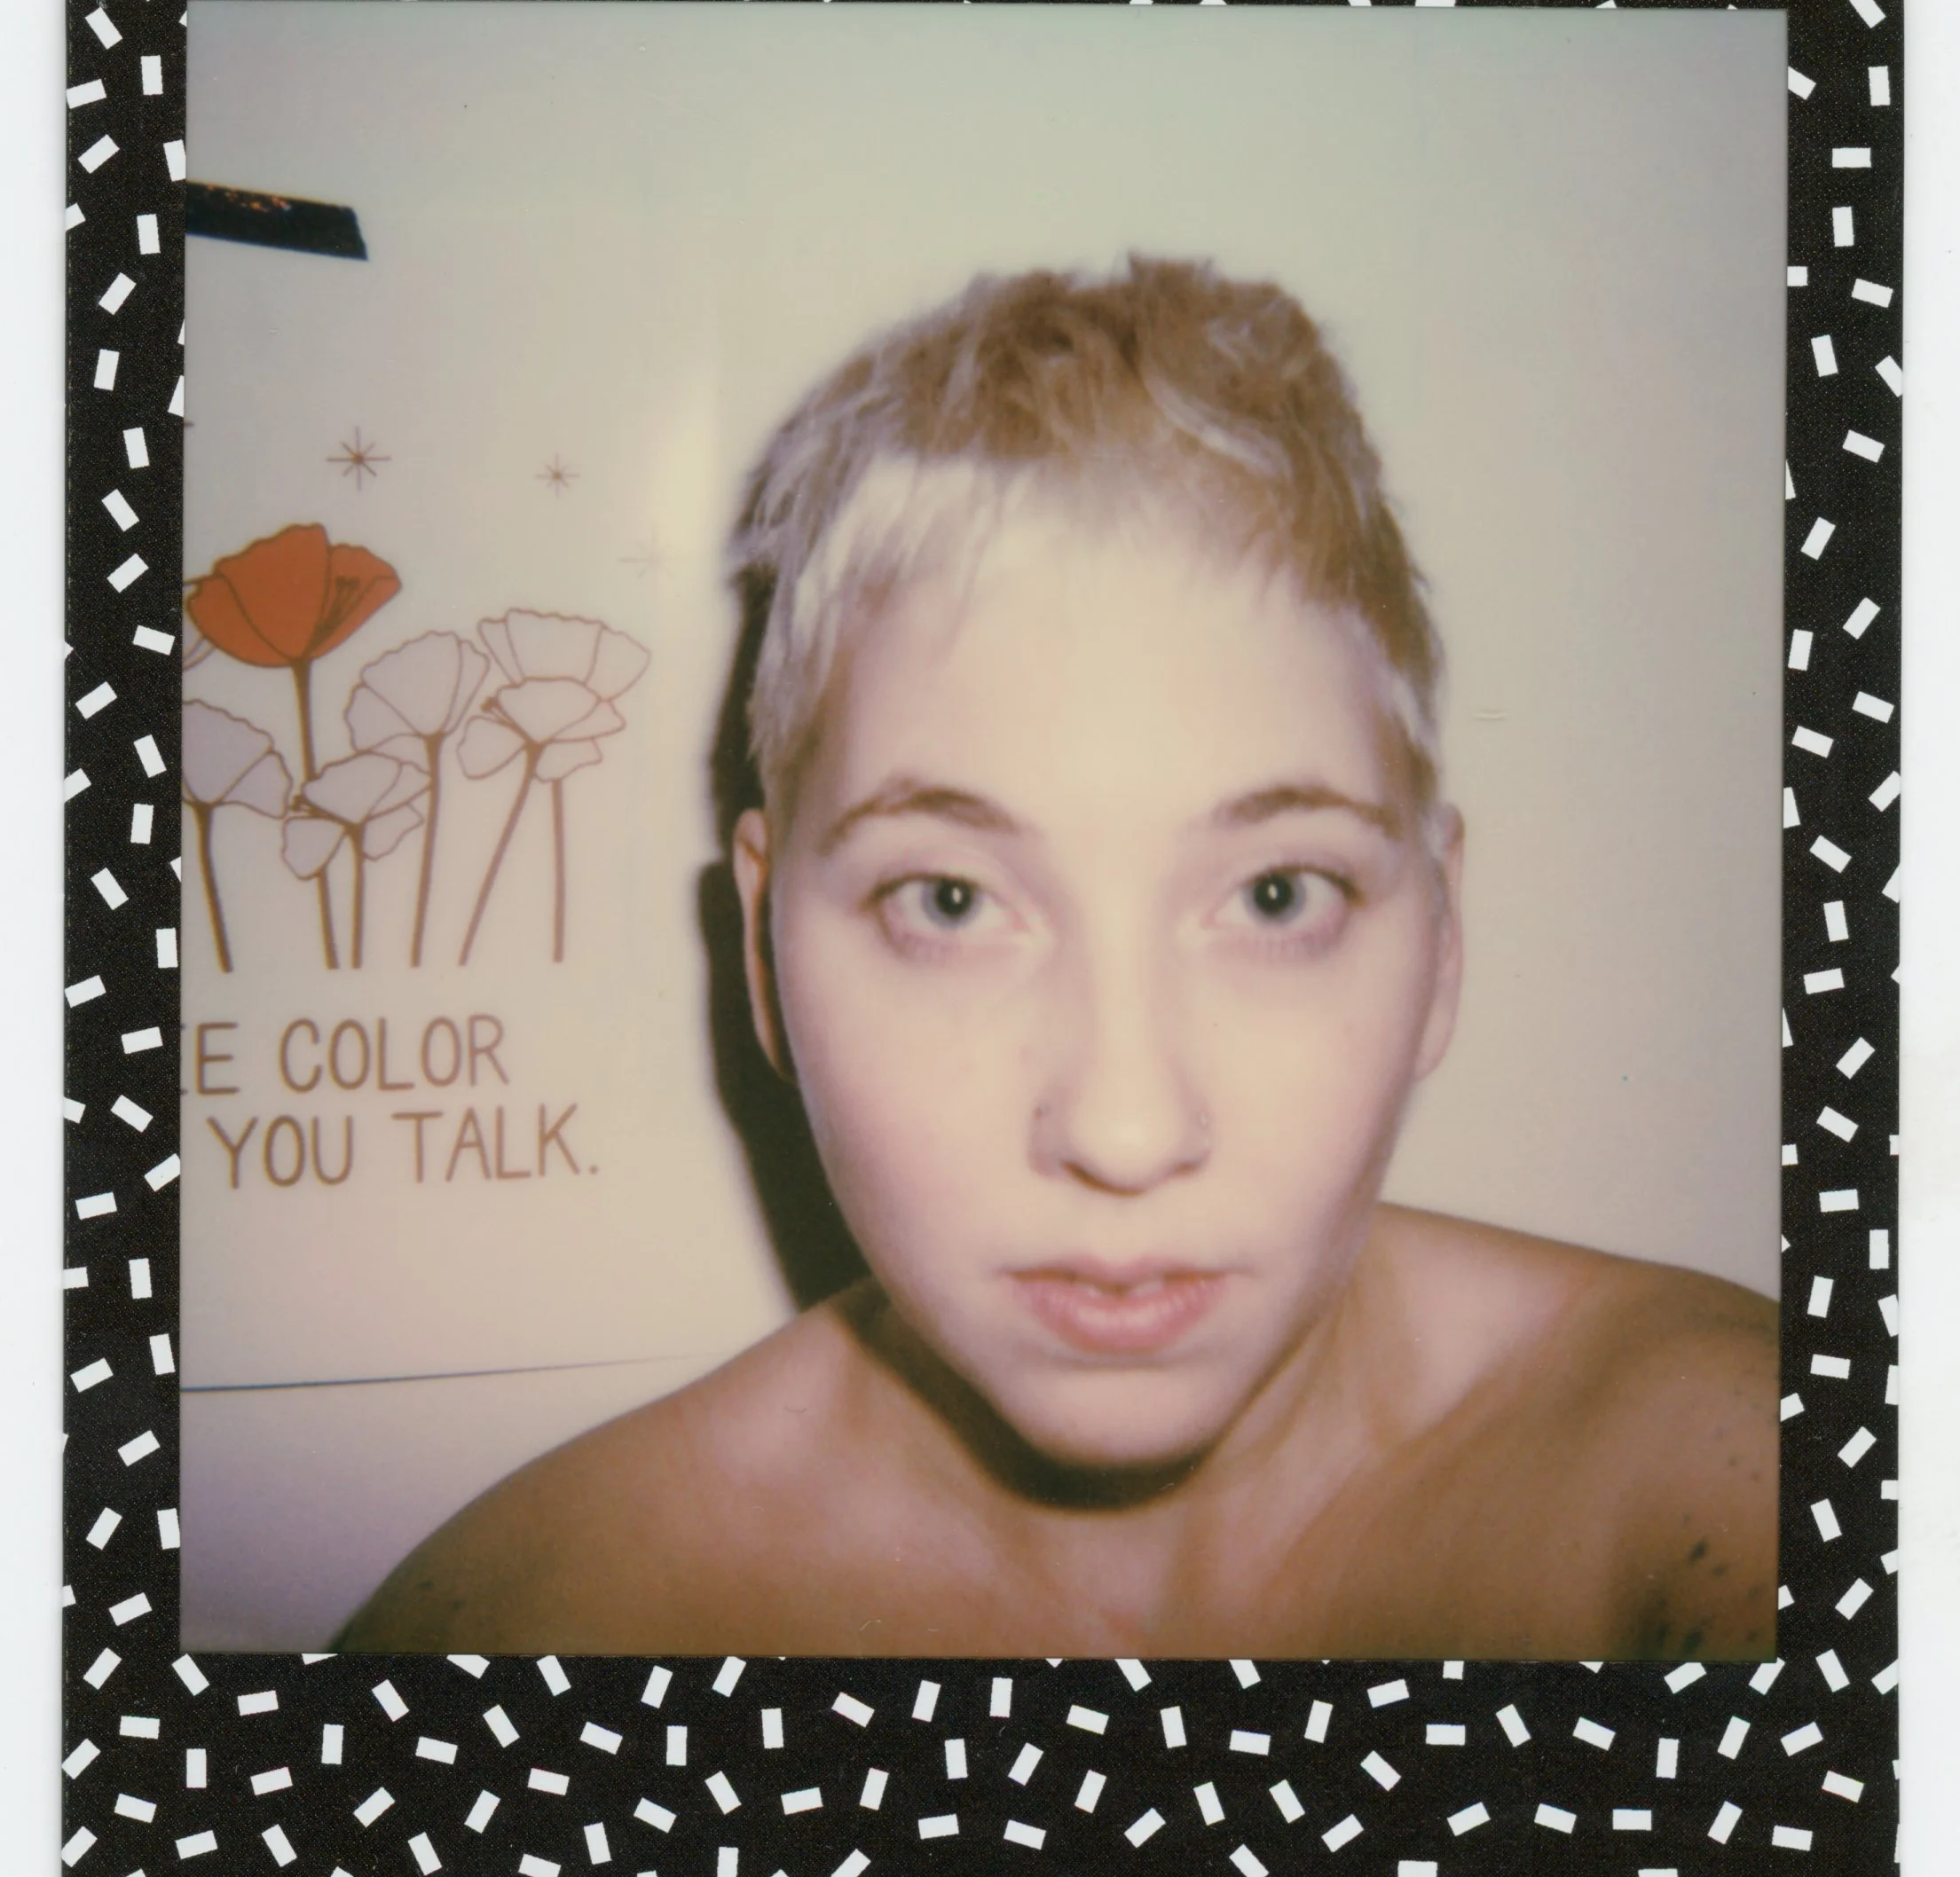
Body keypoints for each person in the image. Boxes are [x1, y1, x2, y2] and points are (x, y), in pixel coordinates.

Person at [342, 256, 1775, 1661]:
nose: (1124, 1130)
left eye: (1276, 896)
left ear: (1441, 941)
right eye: (951, 902)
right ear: (768, 960)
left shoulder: (1725, 1488)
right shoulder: (527, 1626)